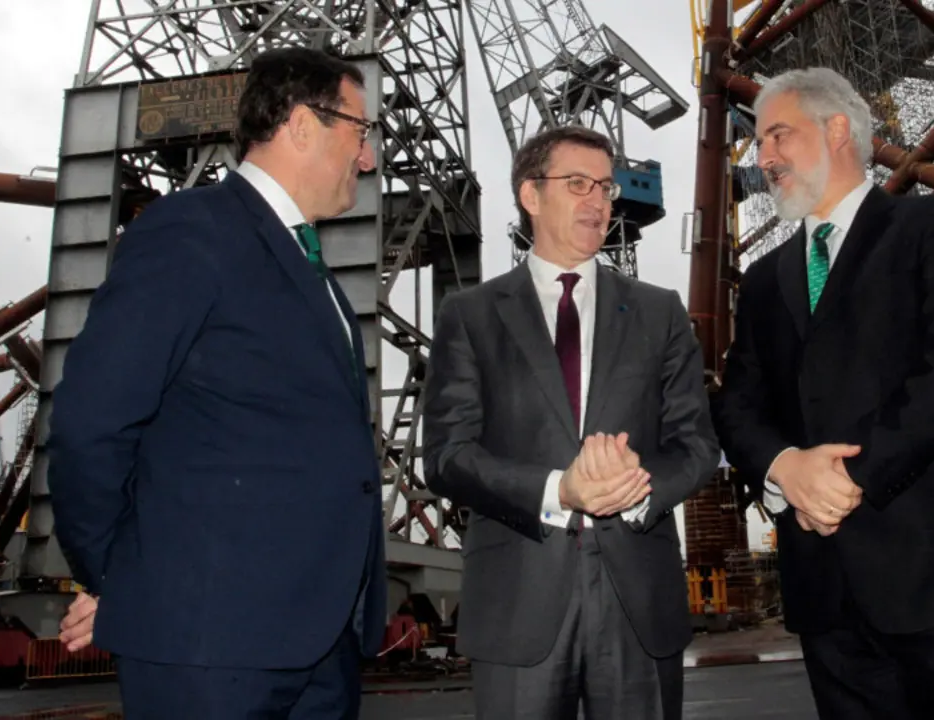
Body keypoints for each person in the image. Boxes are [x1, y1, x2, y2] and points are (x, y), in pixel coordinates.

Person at [47, 46, 385, 718]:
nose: (368, 157)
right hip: (211, 645)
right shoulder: (190, 231)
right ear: (301, 125)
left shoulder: (321, 282)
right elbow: (93, 422)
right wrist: (119, 576)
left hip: (318, 645)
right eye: (362, 130)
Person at [712, 67, 934, 719]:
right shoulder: (761, 280)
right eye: (758, 144)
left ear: (838, 128)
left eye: (778, 134)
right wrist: (786, 469)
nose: (764, 157)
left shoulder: (933, 225)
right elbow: (737, 404)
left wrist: (847, 478)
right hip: (828, 600)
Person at [422, 125, 719, 719]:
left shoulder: (660, 313)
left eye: (605, 188)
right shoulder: (470, 315)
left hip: (639, 599)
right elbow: (447, 456)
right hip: (517, 600)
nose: (599, 202)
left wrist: (636, 490)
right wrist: (561, 490)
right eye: (578, 184)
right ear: (530, 195)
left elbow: (697, 446)